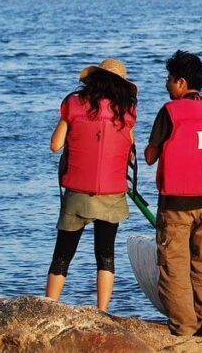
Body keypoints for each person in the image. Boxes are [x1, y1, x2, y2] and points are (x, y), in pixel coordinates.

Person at [145, 50, 202, 337]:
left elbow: (150, 156)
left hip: (177, 204)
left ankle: (183, 326)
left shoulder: (170, 112)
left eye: (169, 79)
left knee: (174, 265)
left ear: (181, 83)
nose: (166, 84)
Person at [46, 58, 137, 312]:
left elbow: (55, 146)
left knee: (63, 254)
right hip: (112, 192)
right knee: (105, 254)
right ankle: (103, 310)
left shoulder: (73, 105)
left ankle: (49, 305)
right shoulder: (127, 111)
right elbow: (131, 153)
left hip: (77, 192)